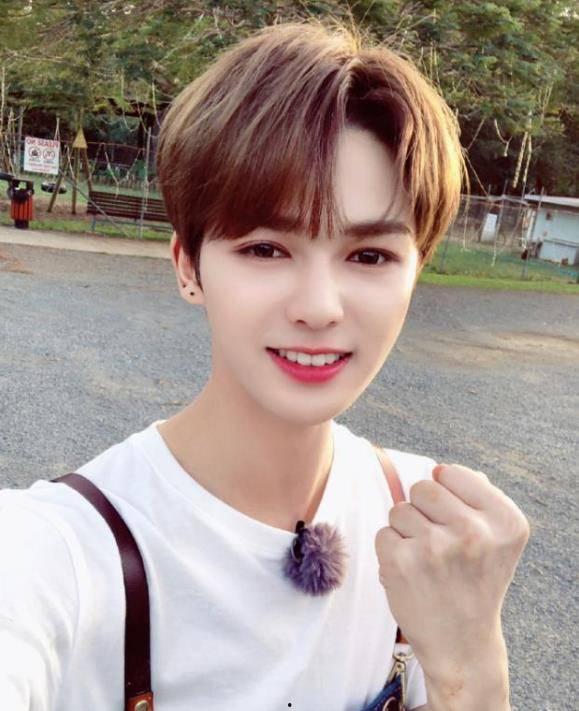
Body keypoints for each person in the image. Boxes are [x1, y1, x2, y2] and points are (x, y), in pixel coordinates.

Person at [0, 19, 530, 711]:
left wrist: (473, 671)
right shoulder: (56, 552)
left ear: (416, 270)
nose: (319, 307)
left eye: (369, 255)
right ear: (188, 266)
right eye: (265, 248)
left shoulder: (431, 527)